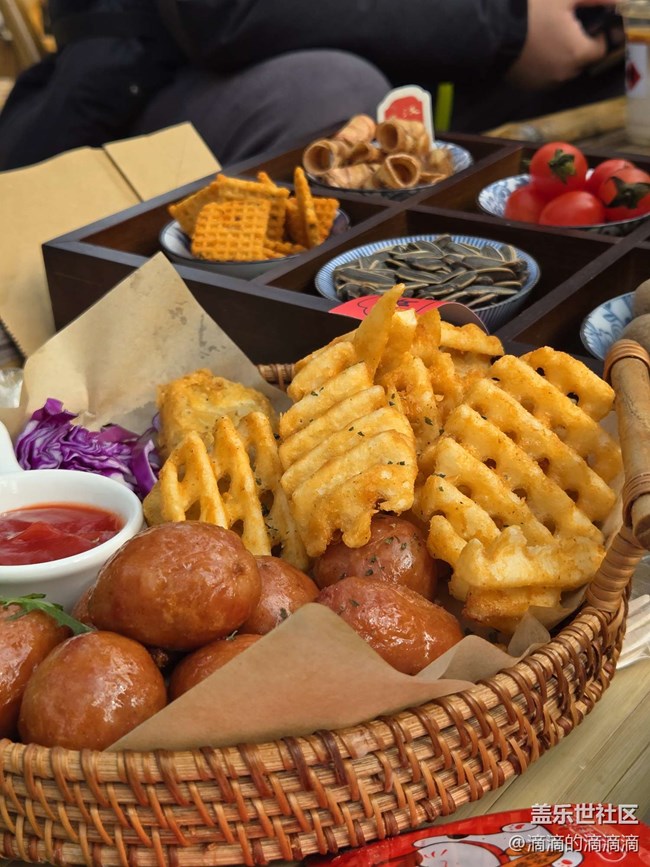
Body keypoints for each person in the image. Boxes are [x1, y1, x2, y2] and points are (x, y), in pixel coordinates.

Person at [0, 0, 623, 172]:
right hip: (159, 81)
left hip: (460, 68)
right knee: (334, 97)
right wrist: (506, 26)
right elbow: (224, 15)